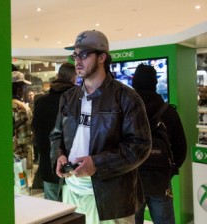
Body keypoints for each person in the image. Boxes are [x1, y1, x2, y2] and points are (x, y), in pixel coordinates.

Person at [49, 30, 152, 223]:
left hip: (111, 196)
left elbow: (140, 146)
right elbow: (56, 135)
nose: (77, 61)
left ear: (102, 57)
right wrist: (59, 156)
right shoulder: (68, 98)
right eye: (75, 55)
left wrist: (97, 163)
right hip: (71, 189)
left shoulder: (126, 97)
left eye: (84, 55)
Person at [132, 64, 187, 224]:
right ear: (155, 84)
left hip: (132, 179)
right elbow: (180, 147)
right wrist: (170, 170)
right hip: (161, 179)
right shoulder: (168, 112)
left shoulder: (126, 110)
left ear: (134, 82)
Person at [32, 63, 77, 201]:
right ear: (73, 78)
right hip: (72, 165)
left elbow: (36, 132)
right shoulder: (76, 101)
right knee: (75, 210)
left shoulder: (40, 102)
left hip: (47, 163)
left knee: (52, 209)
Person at [12, 71, 33, 163]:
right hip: (18, 155)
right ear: (17, 87)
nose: (24, 90)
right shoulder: (20, 107)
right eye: (23, 86)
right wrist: (21, 156)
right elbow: (24, 137)